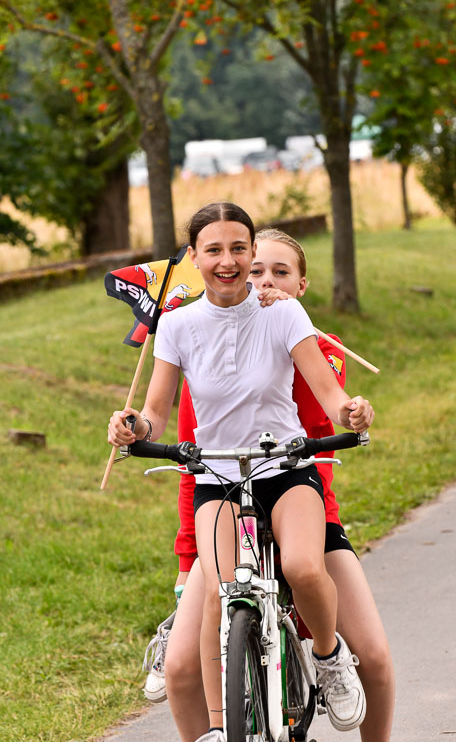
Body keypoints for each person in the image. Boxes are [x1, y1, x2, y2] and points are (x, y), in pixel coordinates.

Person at [108, 204, 376, 742]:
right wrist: (134, 425)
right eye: (214, 250)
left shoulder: (283, 315)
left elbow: (329, 391)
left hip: (286, 466)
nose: (227, 261)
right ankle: (218, 727)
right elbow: (157, 411)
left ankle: (328, 657)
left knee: (302, 567)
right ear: (194, 257)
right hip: (218, 477)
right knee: (220, 593)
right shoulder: (178, 326)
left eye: (238, 249)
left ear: (252, 253)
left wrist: (353, 411)